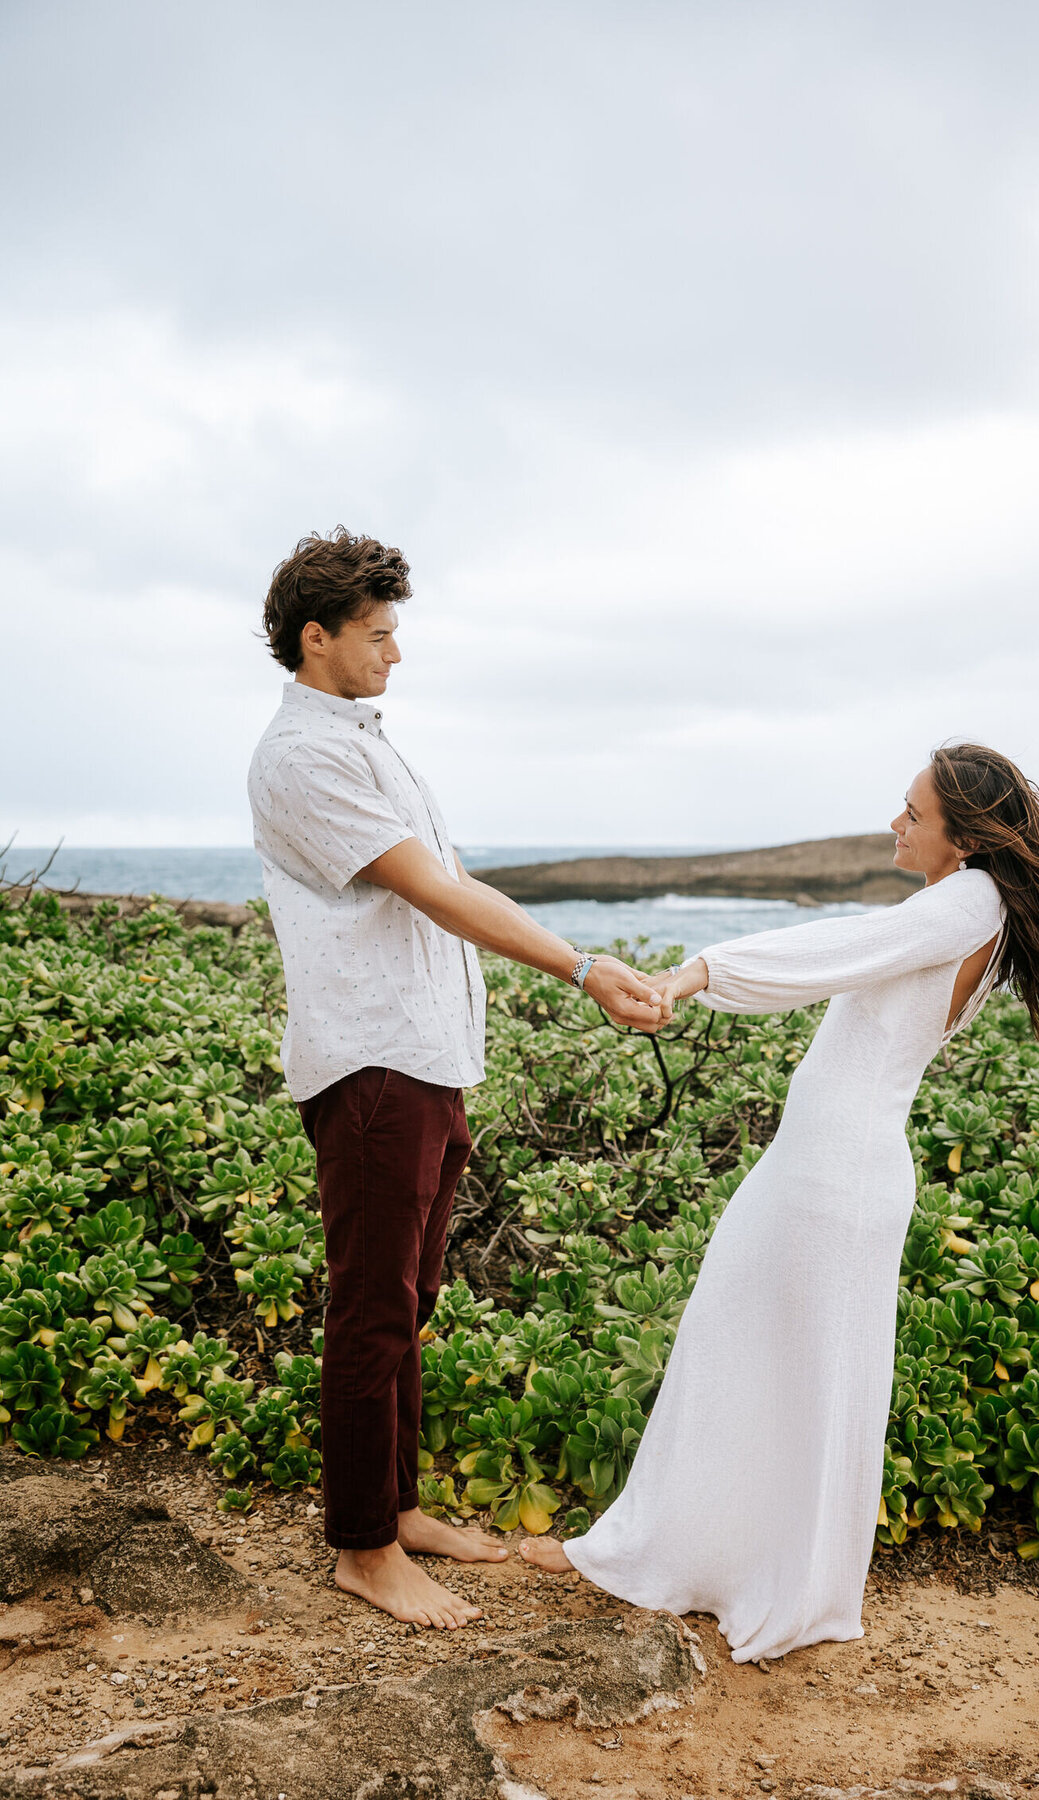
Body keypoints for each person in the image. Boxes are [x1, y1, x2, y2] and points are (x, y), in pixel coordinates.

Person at [521, 745, 1039, 1663]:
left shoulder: (967, 901)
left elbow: (832, 947)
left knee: (783, 1367)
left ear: (965, 833)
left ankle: (757, 1580)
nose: (895, 824)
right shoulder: (967, 904)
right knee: (765, 1360)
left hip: (838, 1177)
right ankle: (711, 1560)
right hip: (831, 1167)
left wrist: (696, 973)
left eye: (912, 814)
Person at [247, 527, 664, 1630]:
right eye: (377, 635)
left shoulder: (362, 739)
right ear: (316, 636)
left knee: (411, 1301)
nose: (395, 652)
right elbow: (431, 891)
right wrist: (583, 966)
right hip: (375, 1060)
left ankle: (396, 1508)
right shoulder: (303, 756)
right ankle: (363, 1548)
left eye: (396, 631)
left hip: (424, 1057)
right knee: (372, 1307)